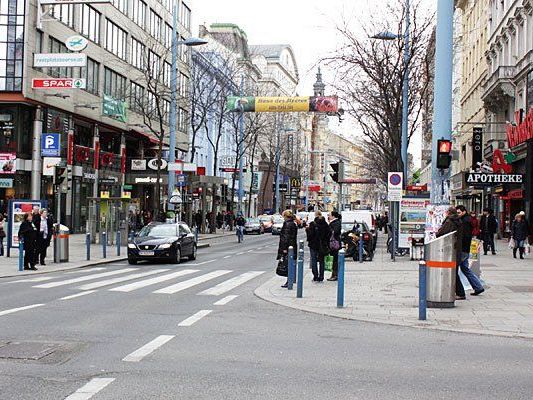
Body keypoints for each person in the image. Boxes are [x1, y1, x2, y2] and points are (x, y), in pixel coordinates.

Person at [436, 207, 465, 300]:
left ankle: (460, 293)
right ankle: (456, 292)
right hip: (456, 248)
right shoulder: (458, 221)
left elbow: (441, 233)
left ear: (448, 213)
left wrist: (438, 231)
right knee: (454, 272)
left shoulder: (449, 221)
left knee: (453, 273)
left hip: (450, 249)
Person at [456, 205, 485, 296]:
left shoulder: (464, 221)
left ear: (464, 211)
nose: (458, 214)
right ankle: (478, 287)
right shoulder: (466, 220)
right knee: (465, 269)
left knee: (455, 270)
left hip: (463, 249)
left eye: (459, 212)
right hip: (465, 249)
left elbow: (465, 236)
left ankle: (460, 292)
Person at [306, 211, 331, 282]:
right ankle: (321, 276)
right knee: (321, 261)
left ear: (315, 216)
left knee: (314, 260)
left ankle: (315, 276)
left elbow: (310, 236)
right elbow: (328, 234)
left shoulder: (312, 224)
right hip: (322, 245)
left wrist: (307, 230)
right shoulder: (325, 224)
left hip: (313, 245)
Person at [277, 210, 298, 288]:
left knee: (287, 264)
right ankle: (290, 280)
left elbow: (285, 237)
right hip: (292, 246)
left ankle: (289, 282)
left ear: (285, 216)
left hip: (288, 247)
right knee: (290, 263)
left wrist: (284, 248)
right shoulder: (293, 223)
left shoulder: (287, 224)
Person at [327, 211, 342, 281]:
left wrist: (329, 229)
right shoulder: (335, 222)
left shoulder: (336, 222)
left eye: (329, 215)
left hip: (334, 244)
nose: (328, 216)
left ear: (333, 216)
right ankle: (334, 274)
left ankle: (335, 275)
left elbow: (335, 232)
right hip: (334, 243)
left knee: (335, 260)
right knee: (334, 259)